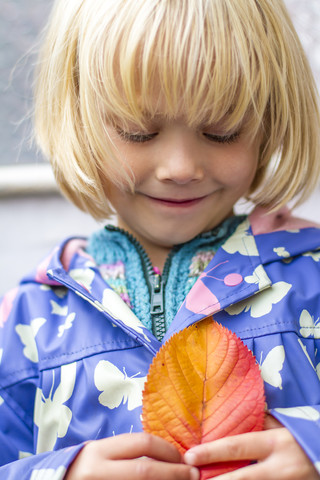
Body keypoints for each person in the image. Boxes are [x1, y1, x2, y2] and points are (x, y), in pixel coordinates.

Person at [1, 0, 320, 478]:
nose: (180, 168)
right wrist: (58, 473)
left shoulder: (309, 280)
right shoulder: (29, 322)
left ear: (269, 122)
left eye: (222, 131)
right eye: (138, 131)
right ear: (80, 124)